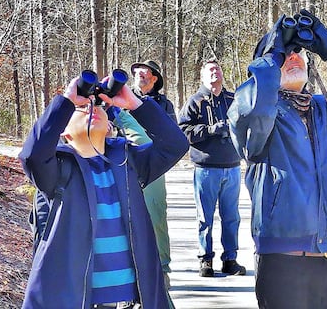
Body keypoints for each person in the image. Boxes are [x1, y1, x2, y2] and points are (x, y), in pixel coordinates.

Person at [228, 9, 327, 309]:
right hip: (283, 263)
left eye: (298, 53)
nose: (293, 57)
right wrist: (272, 54)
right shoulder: (259, 116)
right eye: (285, 55)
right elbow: (250, 110)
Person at [18, 72, 189, 308]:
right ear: (64, 131)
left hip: (129, 299)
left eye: (97, 106)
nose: (90, 109)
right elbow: (31, 155)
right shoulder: (57, 171)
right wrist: (66, 102)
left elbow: (176, 145)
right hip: (76, 299)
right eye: (81, 109)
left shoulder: (128, 162)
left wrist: (135, 105)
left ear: (109, 125)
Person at [178, 60, 247, 277]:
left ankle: (230, 259)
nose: (215, 73)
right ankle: (205, 259)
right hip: (206, 168)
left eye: (218, 69)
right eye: (210, 70)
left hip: (232, 167)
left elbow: (244, 124)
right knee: (204, 218)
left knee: (231, 217)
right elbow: (183, 131)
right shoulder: (195, 102)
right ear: (202, 76)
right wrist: (210, 130)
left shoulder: (232, 99)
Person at [126, 60, 178, 284]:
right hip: (127, 162)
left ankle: (162, 269)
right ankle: (131, 268)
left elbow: (174, 136)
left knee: (156, 216)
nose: (140, 75)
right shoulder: (123, 100)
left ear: (154, 78)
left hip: (155, 166)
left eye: (145, 72)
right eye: (136, 72)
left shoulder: (164, 104)